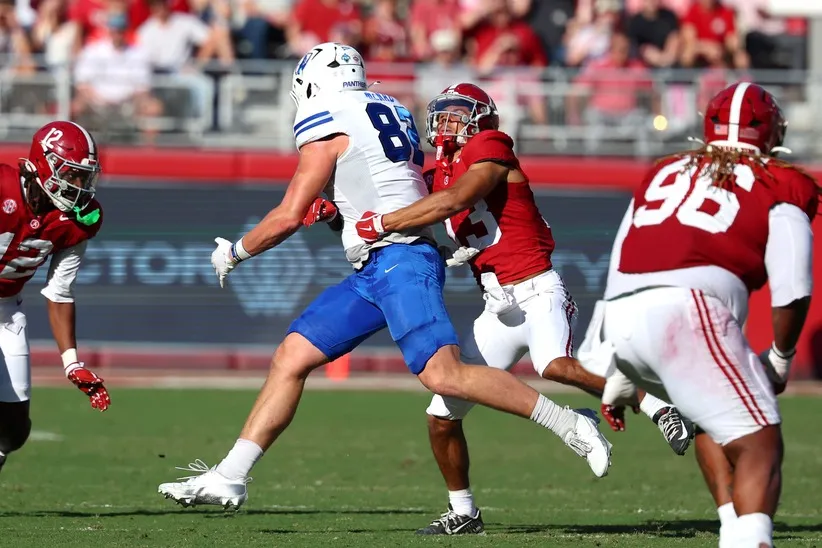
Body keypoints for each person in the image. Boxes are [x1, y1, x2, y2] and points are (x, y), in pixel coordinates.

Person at [157, 43, 613, 511]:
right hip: (377, 263)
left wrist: (235, 252)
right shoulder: (388, 105)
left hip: (400, 258)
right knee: (291, 356)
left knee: (444, 376)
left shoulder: (327, 114)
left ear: (310, 82)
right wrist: (340, 209)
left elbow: (289, 214)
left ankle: (570, 424)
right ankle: (230, 476)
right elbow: (382, 179)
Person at [351, 82, 693, 535]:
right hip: (497, 306)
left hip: (536, 288)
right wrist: (335, 207)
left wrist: (384, 222)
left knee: (555, 365)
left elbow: (453, 202)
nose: (448, 121)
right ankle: (465, 511)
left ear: (482, 119)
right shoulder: (440, 171)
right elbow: (406, 197)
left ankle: (658, 407)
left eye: (459, 113)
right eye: (444, 113)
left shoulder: (490, 146)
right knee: (440, 418)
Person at [582, 81, 816, 548]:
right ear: (772, 132)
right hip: (688, 307)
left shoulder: (663, 170)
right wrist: (783, 357)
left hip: (624, 312)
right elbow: (793, 287)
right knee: (760, 440)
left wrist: (614, 363)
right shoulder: (781, 181)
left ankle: (734, 529)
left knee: (713, 417)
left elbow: (621, 257)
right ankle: (748, 540)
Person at [0, 120, 109, 473]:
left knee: (13, 431)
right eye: (71, 174)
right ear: (43, 164)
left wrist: (71, 362)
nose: (79, 185)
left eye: (84, 176)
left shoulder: (80, 219)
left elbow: (60, 290)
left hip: (5, 310)